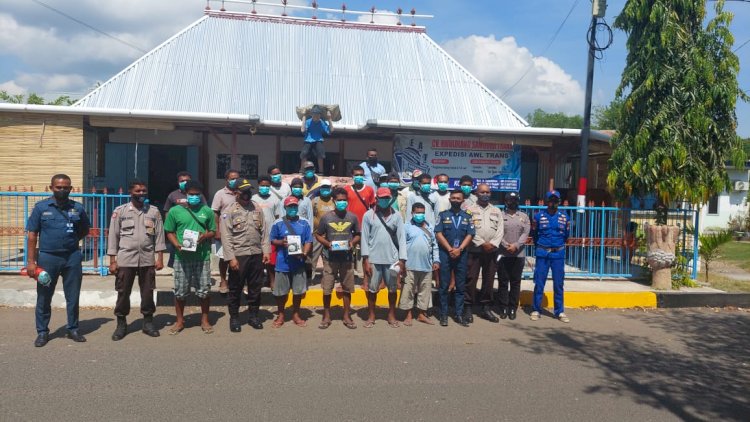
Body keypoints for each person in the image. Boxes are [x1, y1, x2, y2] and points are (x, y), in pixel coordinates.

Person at [26, 174, 91, 347]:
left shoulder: (78, 208)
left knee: (73, 295)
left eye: (66, 187)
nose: (62, 190)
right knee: (44, 296)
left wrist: (72, 241)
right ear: (51, 187)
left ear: (71, 188)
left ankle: (73, 329)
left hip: (72, 257)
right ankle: (42, 332)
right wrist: (31, 262)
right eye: (58, 187)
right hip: (48, 258)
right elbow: (32, 234)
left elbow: (85, 229)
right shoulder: (41, 208)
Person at [107, 179, 165, 341]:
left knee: (147, 292)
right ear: (130, 193)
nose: (141, 194)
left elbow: (159, 236)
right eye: (138, 191)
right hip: (126, 259)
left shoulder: (153, 212)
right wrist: (113, 260)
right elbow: (113, 236)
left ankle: (148, 322)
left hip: (147, 259)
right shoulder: (121, 211)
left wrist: (159, 258)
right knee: (123, 292)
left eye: (144, 191)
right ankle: (121, 324)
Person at [164, 180, 216, 334]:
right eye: (191, 194)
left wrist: (204, 235)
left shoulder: (207, 211)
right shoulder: (175, 211)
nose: (194, 197)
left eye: (196, 194)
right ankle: (180, 321)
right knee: (180, 291)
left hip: (202, 256)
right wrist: (176, 244)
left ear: (201, 195)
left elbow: (213, 231)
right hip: (182, 257)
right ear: (185, 195)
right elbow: (169, 231)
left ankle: (204, 320)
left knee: (204, 290)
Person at [221, 180, 271, 332]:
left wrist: (266, 251)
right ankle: (234, 318)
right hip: (239, 255)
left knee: (255, 287)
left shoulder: (256, 207)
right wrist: (231, 258)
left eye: (249, 191)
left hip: (256, 254)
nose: (247, 194)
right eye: (243, 191)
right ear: (236, 193)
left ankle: (253, 316)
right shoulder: (229, 210)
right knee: (235, 288)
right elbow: (226, 236)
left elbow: (264, 231)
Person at [314, 188, 361, 329]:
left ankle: (347, 315)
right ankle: (326, 315)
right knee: (327, 288)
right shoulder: (327, 217)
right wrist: (328, 244)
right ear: (334, 200)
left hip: (346, 258)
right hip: (330, 258)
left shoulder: (352, 217)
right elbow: (318, 235)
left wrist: (352, 243)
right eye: (339, 200)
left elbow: (358, 234)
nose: (342, 202)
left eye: (344, 200)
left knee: (347, 288)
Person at [360, 187, 407, 328]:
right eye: (382, 198)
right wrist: (366, 260)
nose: (385, 200)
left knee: (392, 289)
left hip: (392, 259)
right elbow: (364, 238)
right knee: (372, 289)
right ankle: (371, 315)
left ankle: (391, 315)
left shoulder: (397, 216)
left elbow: (402, 239)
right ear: (377, 199)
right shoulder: (368, 215)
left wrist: (402, 260)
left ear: (391, 198)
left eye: (387, 198)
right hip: (374, 259)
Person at [270, 196, 313, 328]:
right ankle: (281, 314)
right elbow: (272, 240)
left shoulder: (304, 223)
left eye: (295, 206)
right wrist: (281, 242)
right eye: (290, 207)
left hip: (298, 263)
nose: (293, 209)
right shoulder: (278, 223)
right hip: (282, 262)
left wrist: (304, 253)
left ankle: (296, 314)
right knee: (281, 292)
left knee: (298, 292)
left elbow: (308, 241)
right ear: (285, 208)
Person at [434, 190, 475, 327]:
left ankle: (458, 314)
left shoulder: (468, 216)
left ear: (463, 201)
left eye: (459, 198)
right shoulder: (443, 215)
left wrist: (460, 249)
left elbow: (470, 234)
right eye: (453, 198)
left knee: (460, 286)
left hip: (461, 255)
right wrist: (450, 249)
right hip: (446, 254)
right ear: (450, 199)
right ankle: (443, 314)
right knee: (444, 285)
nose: (456, 200)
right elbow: (438, 233)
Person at [466, 183, 504, 323]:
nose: (485, 194)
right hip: (474, 249)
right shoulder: (469, 210)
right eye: (482, 192)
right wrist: (482, 243)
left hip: (492, 251)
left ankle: (485, 307)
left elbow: (500, 230)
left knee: (488, 279)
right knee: (471, 278)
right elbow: (469, 229)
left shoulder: (496, 211)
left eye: (488, 192)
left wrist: (492, 244)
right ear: (476, 193)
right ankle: (468, 307)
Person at [530, 190, 570, 323]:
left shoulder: (565, 217)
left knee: (559, 284)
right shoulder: (538, 216)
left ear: (559, 201)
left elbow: (566, 236)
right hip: (543, 253)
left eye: (555, 200)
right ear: (546, 201)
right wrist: (542, 247)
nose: (553, 203)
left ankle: (559, 311)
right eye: (551, 200)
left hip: (558, 254)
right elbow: (534, 235)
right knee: (539, 282)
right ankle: (536, 309)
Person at [400, 203, 439, 326]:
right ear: (412, 213)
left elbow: (435, 246)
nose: (420, 215)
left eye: (422, 212)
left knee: (425, 291)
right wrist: (402, 262)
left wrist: (436, 260)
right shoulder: (406, 227)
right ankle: (408, 315)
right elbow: (401, 246)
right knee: (408, 290)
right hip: (410, 265)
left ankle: (422, 314)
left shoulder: (430, 227)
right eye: (417, 212)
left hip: (426, 265)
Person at [497, 192, 530, 320]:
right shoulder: (500, 216)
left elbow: (525, 234)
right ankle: (503, 307)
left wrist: (516, 245)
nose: (513, 202)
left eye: (515, 200)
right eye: (510, 200)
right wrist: (506, 246)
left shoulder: (524, 216)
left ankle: (512, 308)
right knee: (503, 281)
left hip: (518, 254)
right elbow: (497, 232)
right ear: (506, 202)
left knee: (515, 282)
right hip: (503, 254)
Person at [163, 171, 206, 268]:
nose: (185, 182)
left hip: (194, 228)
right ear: (178, 182)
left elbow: (205, 210)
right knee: (177, 251)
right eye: (182, 181)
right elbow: (167, 211)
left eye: (187, 180)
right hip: (178, 229)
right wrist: (169, 228)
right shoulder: (172, 195)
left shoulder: (199, 195)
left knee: (194, 251)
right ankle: (177, 269)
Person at [211, 168, 240, 294]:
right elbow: (215, 213)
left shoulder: (241, 192)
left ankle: (237, 281)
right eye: (232, 178)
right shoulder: (220, 194)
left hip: (239, 231)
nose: (234, 181)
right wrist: (217, 230)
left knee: (238, 257)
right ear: (226, 180)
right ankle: (223, 280)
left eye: (237, 178)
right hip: (224, 231)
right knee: (224, 258)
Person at [345, 165, 375, 276]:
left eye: (361, 175)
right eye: (356, 175)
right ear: (352, 176)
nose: (359, 177)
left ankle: (364, 275)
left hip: (365, 226)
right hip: (349, 226)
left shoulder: (369, 190)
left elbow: (373, 208)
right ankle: (348, 274)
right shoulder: (347, 190)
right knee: (348, 250)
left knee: (365, 252)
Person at [310, 179, 336, 282]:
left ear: (331, 189)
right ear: (320, 188)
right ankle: (310, 278)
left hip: (332, 235)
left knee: (330, 259)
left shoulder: (335, 201)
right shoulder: (315, 201)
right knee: (312, 258)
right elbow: (310, 215)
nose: (325, 189)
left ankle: (329, 279)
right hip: (317, 235)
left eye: (327, 187)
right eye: (323, 187)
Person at [300, 105, 332, 173]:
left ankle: (321, 171)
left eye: (318, 115)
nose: (316, 116)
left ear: (320, 115)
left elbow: (331, 130)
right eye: (314, 114)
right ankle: (302, 170)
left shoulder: (322, 122)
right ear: (311, 114)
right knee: (304, 153)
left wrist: (329, 119)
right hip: (308, 140)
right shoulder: (308, 121)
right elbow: (302, 130)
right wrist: (304, 117)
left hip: (318, 140)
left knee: (320, 154)